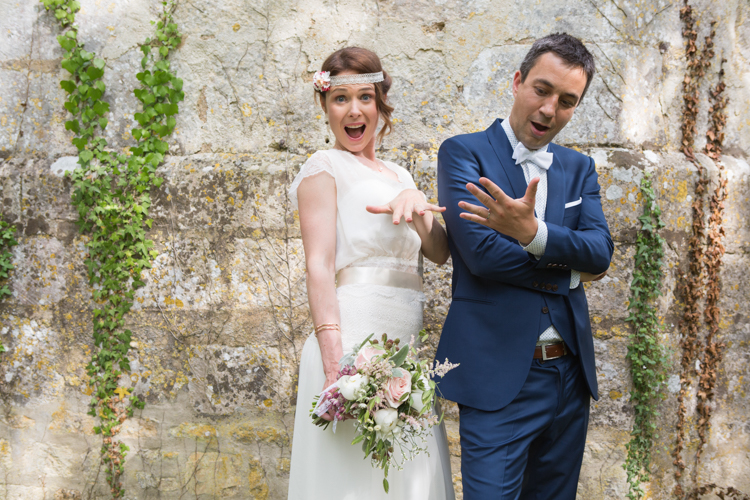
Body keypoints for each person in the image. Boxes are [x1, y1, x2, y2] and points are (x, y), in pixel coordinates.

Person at [434, 33, 614, 499]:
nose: (550, 109)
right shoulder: (463, 152)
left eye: (567, 101)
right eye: (541, 90)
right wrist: (570, 271)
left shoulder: (580, 168)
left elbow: (600, 252)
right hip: (497, 378)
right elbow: (482, 255)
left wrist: (533, 234)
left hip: (569, 377)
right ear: (517, 82)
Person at [287, 47, 455, 500]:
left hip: (404, 352)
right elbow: (319, 265)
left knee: (409, 481)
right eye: (340, 98)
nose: (354, 110)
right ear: (325, 106)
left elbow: (439, 252)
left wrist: (417, 207)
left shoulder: (399, 175)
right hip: (351, 350)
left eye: (365, 97)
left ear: (380, 104)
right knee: (352, 483)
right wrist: (335, 368)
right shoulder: (323, 168)